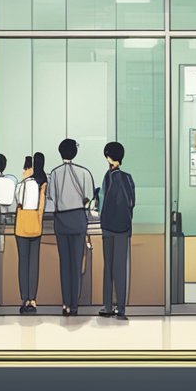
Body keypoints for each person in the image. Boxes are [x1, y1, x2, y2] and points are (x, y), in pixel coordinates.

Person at [47, 137, 95, 316]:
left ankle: (65, 304)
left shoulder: (55, 173)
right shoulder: (84, 173)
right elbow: (88, 198)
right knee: (76, 264)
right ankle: (75, 304)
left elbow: (52, 197)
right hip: (78, 221)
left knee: (64, 264)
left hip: (61, 222)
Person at [98, 141, 136, 320]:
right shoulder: (128, 177)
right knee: (120, 268)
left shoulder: (108, 177)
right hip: (123, 228)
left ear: (108, 157)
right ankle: (121, 308)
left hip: (107, 228)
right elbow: (132, 203)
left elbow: (101, 201)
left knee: (109, 268)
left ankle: (107, 306)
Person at [13, 153, 47, 314]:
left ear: (29, 168)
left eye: (25, 167)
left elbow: (18, 201)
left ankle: (24, 299)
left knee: (23, 263)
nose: (23, 170)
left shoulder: (23, 185)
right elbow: (41, 205)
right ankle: (33, 300)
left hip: (22, 226)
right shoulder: (42, 183)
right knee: (34, 263)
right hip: (36, 224)